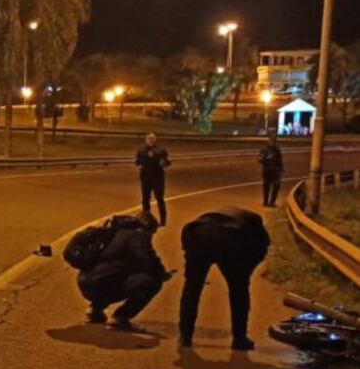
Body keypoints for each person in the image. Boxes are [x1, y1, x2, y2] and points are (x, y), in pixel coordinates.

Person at [179, 208, 271, 351]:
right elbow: (260, 251)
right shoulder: (258, 231)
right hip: (229, 239)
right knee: (239, 291)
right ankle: (239, 339)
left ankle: (185, 336)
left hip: (198, 235)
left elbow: (186, 243)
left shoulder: (204, 221)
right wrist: (245, 273)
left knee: (192, 287)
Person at [76, 212, 172, 331]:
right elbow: (148, 259)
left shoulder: (112, 231)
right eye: (152, 232)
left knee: (113, 275)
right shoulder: (136, 236)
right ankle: (121, 317)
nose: (151, 236)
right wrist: (162, 274)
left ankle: (94, 311)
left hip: (85, 282)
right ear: (146, 226)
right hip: (103, 284)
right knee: (152, 282)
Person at [136, 133, 171, 226]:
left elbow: (167, 162)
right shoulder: (141, 150)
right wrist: (145, 158)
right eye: (149, 139)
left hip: (157, 177)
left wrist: (164, 162)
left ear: (155, 140)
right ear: (145, 140)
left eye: (152, 139)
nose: (151, 141)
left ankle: (163, 220)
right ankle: (146, 220)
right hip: (146, 177)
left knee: (160, 199)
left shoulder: (161, 150)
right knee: (145, 199)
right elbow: (137, 162)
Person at [258, 134, 284, 207]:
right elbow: (260, 159)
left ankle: (272, 202)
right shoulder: (264, 150)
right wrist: (267, 158)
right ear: (269, 141)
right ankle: (265, 201)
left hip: (275, 171)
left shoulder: (277, 150)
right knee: (266, 186)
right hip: (267, 170)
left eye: (274, 141)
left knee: (276, 185)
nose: (272, 143)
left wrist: (281, 169)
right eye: (271, 141)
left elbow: (280, 160)